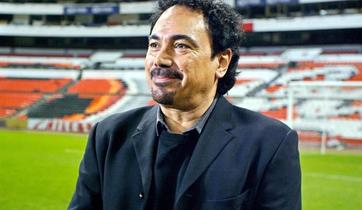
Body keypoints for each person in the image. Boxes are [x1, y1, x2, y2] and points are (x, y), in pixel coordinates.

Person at [68, 0, 301, 209]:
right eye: (154, 45)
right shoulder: (107, 135)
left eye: (181, 45)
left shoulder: (270, 144)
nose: (161, 58)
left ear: (221, 62)